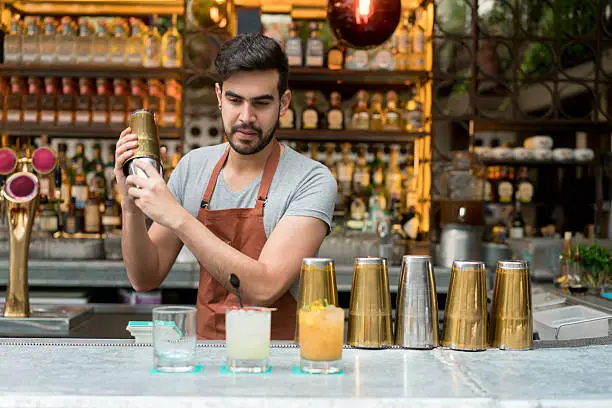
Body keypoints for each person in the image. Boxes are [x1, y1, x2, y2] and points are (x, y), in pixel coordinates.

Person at [114, 33, 337, 340]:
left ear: (283, 103)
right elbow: (144, 277)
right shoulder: (194, 168)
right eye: (235, 100)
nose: (246, 117)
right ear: (219, 96)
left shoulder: (310, 180)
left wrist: (177, 217)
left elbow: (264, 288)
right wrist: (129, 204)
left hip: (278, 366)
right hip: (206, 364)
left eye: (261, 102)